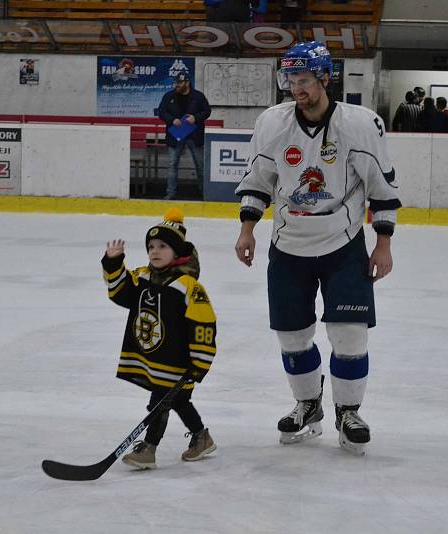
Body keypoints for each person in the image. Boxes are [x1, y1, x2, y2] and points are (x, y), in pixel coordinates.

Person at [233, 41, 401, 454]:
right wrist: (247, 229)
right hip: (288, 246)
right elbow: (258, 182)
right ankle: (308, 405)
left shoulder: (360, 125)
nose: (296, 88)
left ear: (325, 78)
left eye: (304, 79)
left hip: (343, 246)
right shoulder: (272, 124)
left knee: (349, 336)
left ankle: (348, 410)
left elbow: (382, 188)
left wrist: (383, 244)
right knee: (292, 336)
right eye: (290, 79)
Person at [103, 208, 218, 469]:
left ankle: (149, 449)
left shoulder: (188, 286)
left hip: (177, 362)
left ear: (177, 252)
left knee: (159, 404)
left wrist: (198, 365)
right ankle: (202, 437)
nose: (155, 251)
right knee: (177, 400)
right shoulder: (143, 276)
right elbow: (121, 293)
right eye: (151, 246)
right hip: (153, 358)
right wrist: (113, 263)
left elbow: (203, 326)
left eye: (163, 246)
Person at [158, 73, 212, 200]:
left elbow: (207, 111)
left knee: (200, 164)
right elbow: (161, 112)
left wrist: (196, 118)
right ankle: (171, 192)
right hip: (175, 135)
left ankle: (204, 192)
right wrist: (172, 120)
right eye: (176, 82)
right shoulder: (168, 96)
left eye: (180, 83)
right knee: (172, 164)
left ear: (187, 83)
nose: (177, 85)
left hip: (194, 135)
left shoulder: (198, 96)